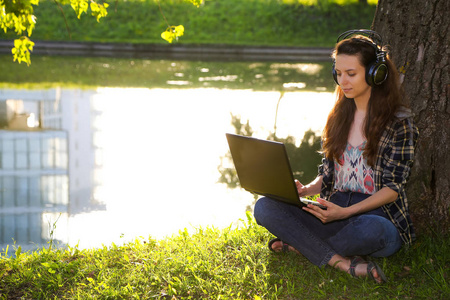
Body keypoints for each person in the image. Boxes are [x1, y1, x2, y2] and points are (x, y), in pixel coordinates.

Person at [253, 29, 419, 284]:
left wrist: (346, 212)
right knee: (265, 206)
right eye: (339, 73)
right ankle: (338, 260)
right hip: (334, 208)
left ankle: (301, 245)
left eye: (351, 74)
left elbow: (393, 189)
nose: (343, 81)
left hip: (376, 215)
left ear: (376, 73)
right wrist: (306, 190)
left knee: (371, 231)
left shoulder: (399, 124)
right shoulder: (337, 117)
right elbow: (328, 172)